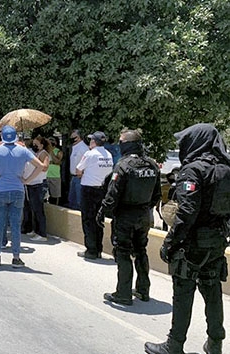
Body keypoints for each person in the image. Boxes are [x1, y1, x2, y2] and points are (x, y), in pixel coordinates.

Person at [145, 123, 230, 354]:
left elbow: (186, 212)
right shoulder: (226, 169)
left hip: (191, 244)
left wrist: (170, 243)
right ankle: (215, 343)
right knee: (212, 292)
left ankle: (175, 344)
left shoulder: (193, 170)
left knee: (183, 293)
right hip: (216, 242)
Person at [97, 129, 161, 306]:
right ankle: (143, 290)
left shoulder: (123, 165)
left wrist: (103, 212)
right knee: (140, 250)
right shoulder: (152, 165)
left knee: (123, 252)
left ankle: (123, 293)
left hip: (126, 216)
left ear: (126, 145)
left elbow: (113, 194)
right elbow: (157, 195)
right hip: (144, 215)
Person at [0, 126, 44, 267]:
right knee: (15, 226)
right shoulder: (23, 151)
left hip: (0, 189)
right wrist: (27, 180)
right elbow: (40, 166)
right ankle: (16, 257)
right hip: (18, 189)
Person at [76, 131, 114, 259]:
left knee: (88, 220)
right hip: (103, 190)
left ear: (94, 142)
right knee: (99, 220)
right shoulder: (108, 155)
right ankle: (98, 249)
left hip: (89, 190)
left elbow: (78, 170)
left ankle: (91, 250)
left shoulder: (90, 154)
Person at [24, 136, 51, 241]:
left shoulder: (43, 154)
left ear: (42, 145)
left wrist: (35, 162)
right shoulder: (35, 153)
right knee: (32, 208)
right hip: (32, 184)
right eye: (33, 144)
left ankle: (42, 233)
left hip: (39, 184)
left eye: (36, 144)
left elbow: (44, 168)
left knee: (38, 209)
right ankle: (34, 230)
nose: (34, 146)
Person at [68, 129, 88, 210]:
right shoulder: (75, 147)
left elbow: (87, 163)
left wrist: (82, 173)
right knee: (72, 200)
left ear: (79, 137)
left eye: (74, 137)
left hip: (80, 177)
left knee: (79, 202)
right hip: (74, 177)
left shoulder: (83, 148)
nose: (72, 139)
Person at [47, 137, 63, 204]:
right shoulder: (44, 151)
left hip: (55, 176)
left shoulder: (58, 151)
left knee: (55, 195)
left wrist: (51, 151)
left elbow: (57, 161)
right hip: (45, 176)